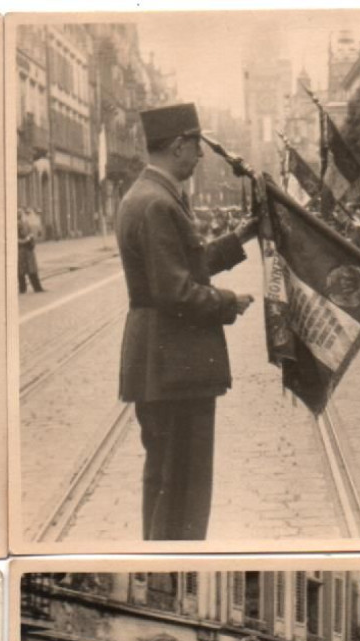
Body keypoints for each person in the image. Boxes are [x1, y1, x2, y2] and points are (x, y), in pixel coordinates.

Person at [116, 102, 258, 541]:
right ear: (179, 145)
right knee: (182, 489)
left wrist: (241, 237)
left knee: (167, 481)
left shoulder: (148, 196)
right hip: (175, 364)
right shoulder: (159, 204)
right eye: (196, 146)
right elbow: (175, 291)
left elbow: (184, 267)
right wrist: (229, 302)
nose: (199, 156)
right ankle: (171, 561)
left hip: (164, 361)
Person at [17, 208, 44, 294]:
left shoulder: (25, 223)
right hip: (21, 250)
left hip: (28, 249)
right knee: (21, 270)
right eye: (18, 214)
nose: (20, 215)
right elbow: (15, 239)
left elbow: (30, 233)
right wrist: (26, 240)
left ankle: (37, 288)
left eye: (20, 214)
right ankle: (23, 288)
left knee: (31, 269)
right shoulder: (15, 225)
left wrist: (31, 238)